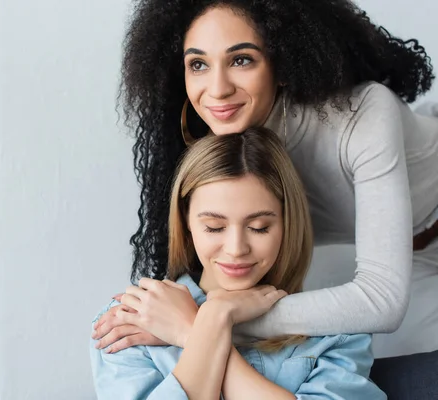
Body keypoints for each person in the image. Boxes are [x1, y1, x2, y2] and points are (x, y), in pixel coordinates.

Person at [92, 0, 438, 396]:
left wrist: (207, 322)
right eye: (198, 64)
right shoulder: (217, 138)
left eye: (241, 60)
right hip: (402, 267)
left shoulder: (360, 116)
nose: (217, 88)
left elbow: (382, 300)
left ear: (285, 62)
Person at [90, 130, 386, 399]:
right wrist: (209, 325)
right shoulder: (131, 320)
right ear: (186, 222)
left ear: (287, 223)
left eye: (258, 227)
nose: (236, 249)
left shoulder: (337, 334)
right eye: (214, 227)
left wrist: (199, 327)